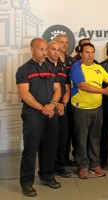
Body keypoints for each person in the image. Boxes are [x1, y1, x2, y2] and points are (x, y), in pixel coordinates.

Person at [69, 43, 108, 179]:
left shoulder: (98, 67)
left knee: (95, 138)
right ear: (81, 54)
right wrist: (104, 91)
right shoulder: (76, 67)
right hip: (81, 108)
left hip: (97, 108)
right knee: (81, 139)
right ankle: (83, 166)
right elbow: (83, 86)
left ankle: (95, 165)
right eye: (87, 52)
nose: (90, 55)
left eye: (92, 52)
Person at [16, 38, 61, 197]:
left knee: (50, 146)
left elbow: (57, 89)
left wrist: (53, 104)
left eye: (45, 49)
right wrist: (44, 108)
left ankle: (47, 176)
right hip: (33, 114)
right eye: (41, 50)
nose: (45, 53)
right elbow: (24, 94)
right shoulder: (24, 70)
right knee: (30, 149)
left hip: (50, 113)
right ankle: (26, 183)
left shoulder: (51, 68)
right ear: (32, 50)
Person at [46, 41, 71, 178]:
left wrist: (64, 104)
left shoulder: (63, 68)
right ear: (47, 51)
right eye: (53, 49)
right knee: (50, 141)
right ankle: (48, 170)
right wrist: (56, 105)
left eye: (58, 50)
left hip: (62, 107)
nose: (56, 52)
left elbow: (67, 88)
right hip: (49, 109)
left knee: (63, 139)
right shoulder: (44, 67)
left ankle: (60, 166)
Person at [55, 34, 77, 167]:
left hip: (70, 99)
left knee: (67, 132)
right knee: (55, 133)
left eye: (66, 42)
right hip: (54, 100)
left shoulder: (72, 61)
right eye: (61, 42)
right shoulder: (50, 60)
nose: (64, 45)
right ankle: (55, 162)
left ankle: (65, 158)